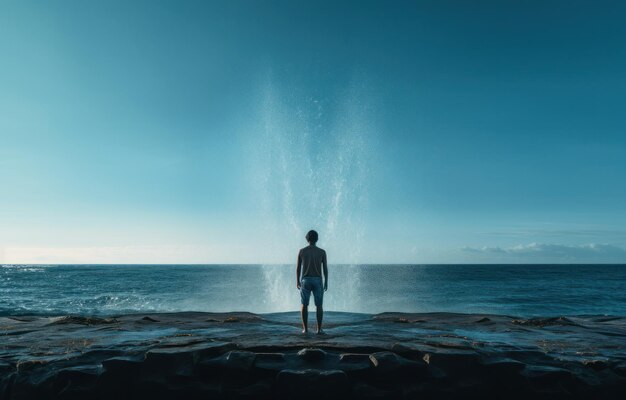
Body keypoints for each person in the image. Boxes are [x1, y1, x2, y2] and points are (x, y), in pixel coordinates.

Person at [296, 229, 328, 334]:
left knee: (304, 305)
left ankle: (305, 329)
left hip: (305, 280)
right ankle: (319, 330)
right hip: (318, 280)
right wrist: (326, 281)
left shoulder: (302, 251)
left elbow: (298, 268)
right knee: (319, 306)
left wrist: (297, 281)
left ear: (307, 239)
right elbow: (325, 269)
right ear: (317, 239)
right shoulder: (322, 252)